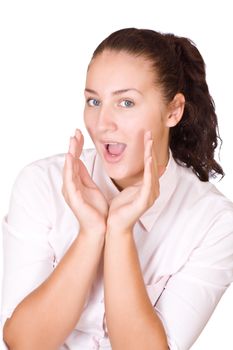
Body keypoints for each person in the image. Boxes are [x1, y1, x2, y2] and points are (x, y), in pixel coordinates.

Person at [1, 27, 233, 350]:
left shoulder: (214, 222)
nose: (102, 122)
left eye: (126, 102)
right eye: (93, 101)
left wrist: (120, 232)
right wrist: (91, 233)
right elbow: (23, 341)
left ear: (173, 110)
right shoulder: (41, 185)